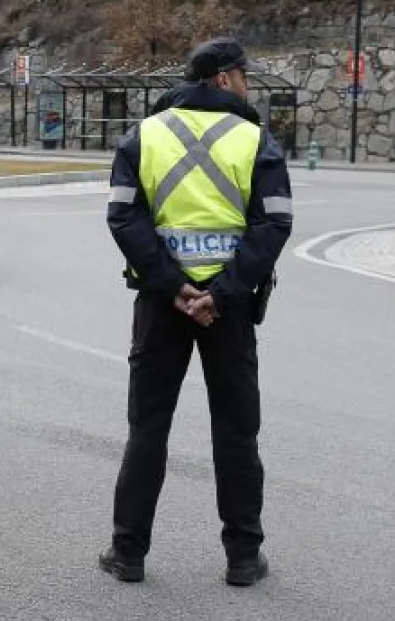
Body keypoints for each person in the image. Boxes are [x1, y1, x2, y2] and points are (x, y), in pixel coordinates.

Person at [99, 37, 293, 587]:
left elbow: (123, 218)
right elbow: (274, 223)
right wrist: (221, 291)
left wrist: (174, 286)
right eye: (245, 76)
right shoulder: (257, 140)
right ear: (224, 79)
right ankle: (243, 558)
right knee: (236, 432)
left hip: (162, 304)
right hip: (227, 309)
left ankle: (128, 552)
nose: (248, 85)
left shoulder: (144, 135)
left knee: (148, 429)